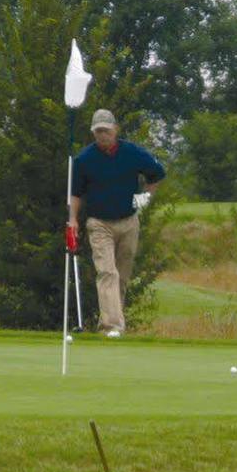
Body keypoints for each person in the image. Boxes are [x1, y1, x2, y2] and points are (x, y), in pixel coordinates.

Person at [68, 108, 165, 336]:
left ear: (115, 130)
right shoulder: (84, 159)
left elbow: (157, 174)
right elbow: (75, 194)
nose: (102, 135)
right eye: (98, 131)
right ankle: (112, 325)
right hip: (99, 223)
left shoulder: (132, 153)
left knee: (121, 276)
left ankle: (115, 325)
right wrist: (72, 219)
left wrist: (146, 197)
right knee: (107, 273)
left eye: (106, 130)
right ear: (93, 132)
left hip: (129, 221)